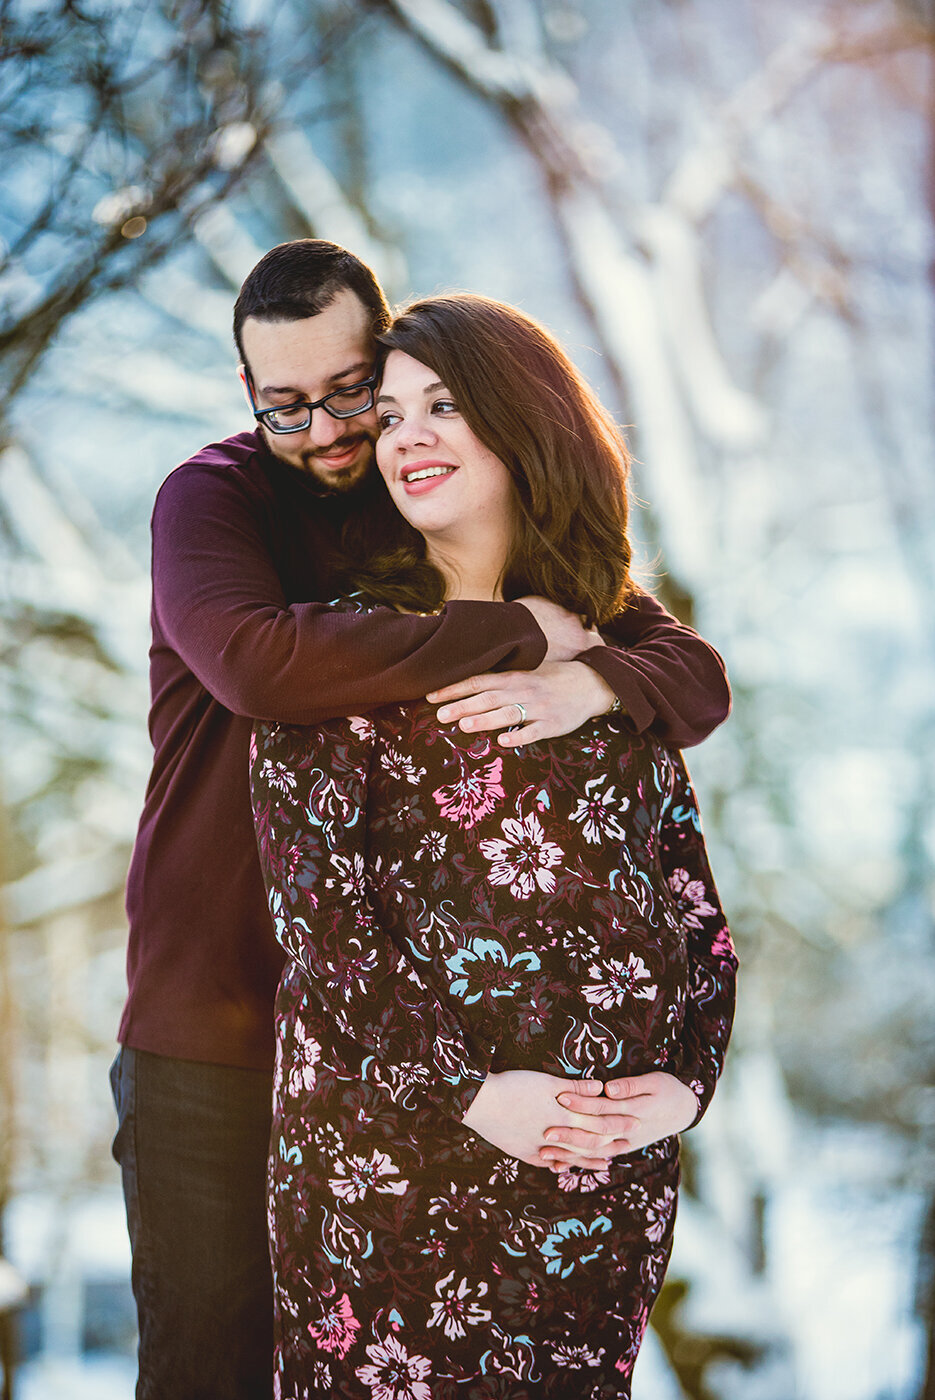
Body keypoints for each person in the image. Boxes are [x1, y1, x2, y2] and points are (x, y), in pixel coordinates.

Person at [111, 240, 732, 1400]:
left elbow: (686, 673)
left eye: (356, 392)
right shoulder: (216, 499)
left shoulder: (430, 513)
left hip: (398, 1065)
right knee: (209, 1370)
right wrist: (524, 635)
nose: (337, 432)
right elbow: (259, 664)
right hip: (215, 1021)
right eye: (285, 406)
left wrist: (590, 679)